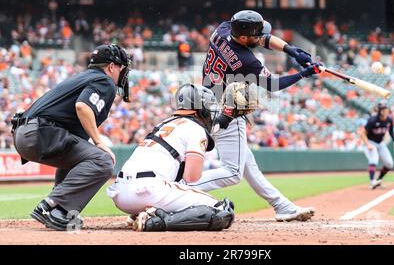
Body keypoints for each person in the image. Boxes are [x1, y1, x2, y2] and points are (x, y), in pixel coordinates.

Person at [188, 10, 322, 222]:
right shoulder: (246, 60)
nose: (260, 38)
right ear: (242, 37)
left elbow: (263, 38)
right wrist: (304, 73)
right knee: (233, 172)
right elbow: (274, 84)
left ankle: (282, 206)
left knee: (248, 163)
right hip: (227, 110)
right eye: (254, 35)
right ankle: (179, 188)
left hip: (205, 101)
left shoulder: (222, 30)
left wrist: (292, 50)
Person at [11, 44, 131, 231]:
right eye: (122, 68)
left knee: (81, 155)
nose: (124, 73)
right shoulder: (104, 81)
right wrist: (99, 141)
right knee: (103, 160)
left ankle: (60, 210)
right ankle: (52, 206)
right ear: (111, 66)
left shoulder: (83, 77)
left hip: (25, 134)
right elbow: (83, 106)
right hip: (40, 132)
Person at [107, 84, 235, 232]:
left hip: (120, 195)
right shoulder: (196, 128)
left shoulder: (163, 124)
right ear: (198, 107)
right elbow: (191, 177)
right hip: (149, 191)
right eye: (207, 105)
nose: (210, 111)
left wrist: (226, 118)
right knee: (222, 211)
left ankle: (143, 214)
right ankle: (154, 222)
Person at [360, 100, 394, 189]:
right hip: (370, 142)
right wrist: (367, 144)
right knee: (374, 159)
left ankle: (379, 180)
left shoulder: (389, 119)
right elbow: (362, 133)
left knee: (389, 163)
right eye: (383, 109)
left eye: (386, 109)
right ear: (380, 111)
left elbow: (391, 131)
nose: (385, 111)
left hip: (380, 143)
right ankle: (372, 181)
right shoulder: (372, 120)